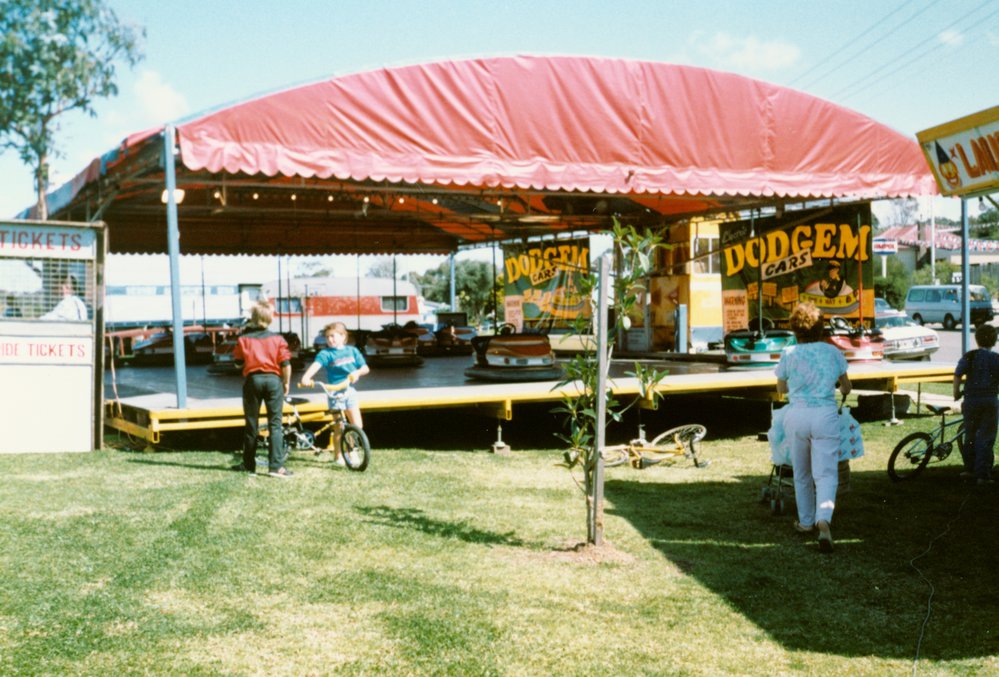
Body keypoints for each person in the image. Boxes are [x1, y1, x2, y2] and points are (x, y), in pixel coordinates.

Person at [775, 302, 851, 553]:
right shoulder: (832, 352)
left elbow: (782, 388)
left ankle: (806, 522)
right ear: (820, 328)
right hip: (825, 414)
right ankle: (823, 519)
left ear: (795, 329)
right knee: (826, 473)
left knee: (802, 473)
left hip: (797, 414)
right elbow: (846, 387)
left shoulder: (789, 353)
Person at [233, 301, 293, 478]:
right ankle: (276, 467)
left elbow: (238, 363)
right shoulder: (278, 339)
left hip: (253, 381)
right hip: (274, 381)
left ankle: (248, 464)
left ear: (253, 318)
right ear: (270, 318)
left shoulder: (243, 340)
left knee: (251, 424)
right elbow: (286, 364)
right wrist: (286, 382)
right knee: (275, 424)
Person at [300, 321, 369, 464]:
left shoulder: (352, 351)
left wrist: (357, 372)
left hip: (349, 390)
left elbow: (365, 368)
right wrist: (306, 377)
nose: (330, 340)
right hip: (334, 393)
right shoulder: (326, 354)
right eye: (327, 337)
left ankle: (352, 451)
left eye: (333, 336)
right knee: (339, 426)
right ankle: (338, 456)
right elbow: (316, 366)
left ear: (343, 336)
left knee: (357, 425)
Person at [952, 323, 999, 485]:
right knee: (986, 437)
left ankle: (970, 469)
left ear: (977, 339)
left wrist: (956, 393)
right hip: (989, 401)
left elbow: (958, 374)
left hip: (971, 400)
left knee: (970, 435)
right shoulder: (996, 359)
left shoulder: (970, 356)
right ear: (994, 341)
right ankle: (983, 474)